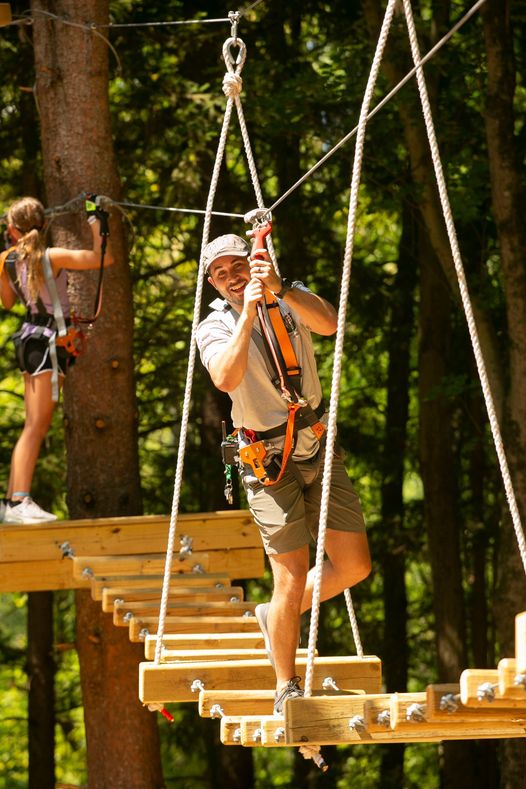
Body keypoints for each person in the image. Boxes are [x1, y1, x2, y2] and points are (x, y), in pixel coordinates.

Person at [196, 232, 371, 715]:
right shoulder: (213, 326)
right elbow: (225, 378)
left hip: (315, 443)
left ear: (255, 265)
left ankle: (272, 618)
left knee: (354, 565)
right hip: (267, 461)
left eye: (238, 267)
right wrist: (248, 313)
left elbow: (330, 324)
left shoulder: (287, 298)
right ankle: (286, 686)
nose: (232, 278)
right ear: (213, 282)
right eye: (221, 273)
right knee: (290, 575)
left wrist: (278, 286)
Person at [0, 196, 114, 524]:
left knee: (33, 424)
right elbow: (103, 258)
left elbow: (8, 302)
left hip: (30, 341)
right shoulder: (54, 256)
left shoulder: (5, 259)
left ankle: (13, 501)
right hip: (48, 345)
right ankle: (18, 500)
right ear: (44, 224)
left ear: (11, 229)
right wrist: (96, 221)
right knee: (36, 425)